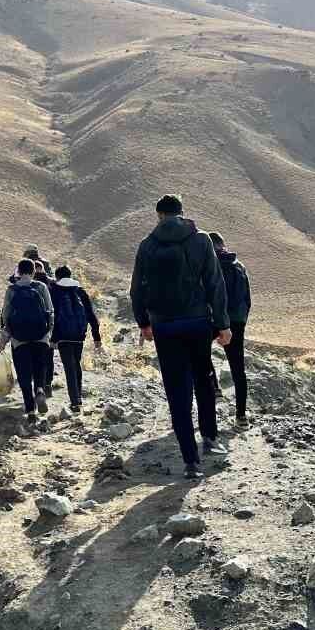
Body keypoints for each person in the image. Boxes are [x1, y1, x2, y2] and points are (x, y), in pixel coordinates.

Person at [130, 194, 231, 478]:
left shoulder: (147, 245)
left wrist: (144, 323)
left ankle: (190, 461)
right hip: (198, 323)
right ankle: (210, 438)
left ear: (159, 215)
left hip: (164, 326)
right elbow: (215, 283)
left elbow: (136, 289)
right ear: (182, 212)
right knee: (203, 379)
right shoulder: (201, 240)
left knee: (177, 390)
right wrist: (223, 324)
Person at [0, 258, 55, 420]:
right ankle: (40, 389)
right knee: (40, 367)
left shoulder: (12, 290)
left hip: (19, 339)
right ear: (33, 271)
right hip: (40, 336)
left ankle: (30, 411)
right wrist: (48, 332)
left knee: (23, 373)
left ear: (18, 271)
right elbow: (50, 310)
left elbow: (6, 315)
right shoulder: (41, 286)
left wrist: (5, 338)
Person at [209, 232, 252, 429]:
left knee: (200, 353)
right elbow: (247, 299)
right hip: (236, 321)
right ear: (223, 245)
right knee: (238, 368)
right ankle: (241, 417)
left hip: (213, 319)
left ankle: (215, 389)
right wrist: (241, 321)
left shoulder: (209, 265)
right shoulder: (239, 265)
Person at [49, 265, 102, 413]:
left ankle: (75, 402)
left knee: (69, 367)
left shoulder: (54, 291)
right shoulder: (80, 291)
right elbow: (91, 315)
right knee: (76, 364)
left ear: (57, 277)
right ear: (70, 275)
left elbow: (53, 316)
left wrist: (53, 338)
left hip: (63, 336)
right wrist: (96, 337)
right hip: (79, 336)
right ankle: (78, 398)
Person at [19, 245, 56, 397]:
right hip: (45, 319)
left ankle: (34, 385)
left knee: (29, 353)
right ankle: (47, 384)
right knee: (47, 354)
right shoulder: (46, 267)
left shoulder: (24, 267)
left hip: (25, 321)